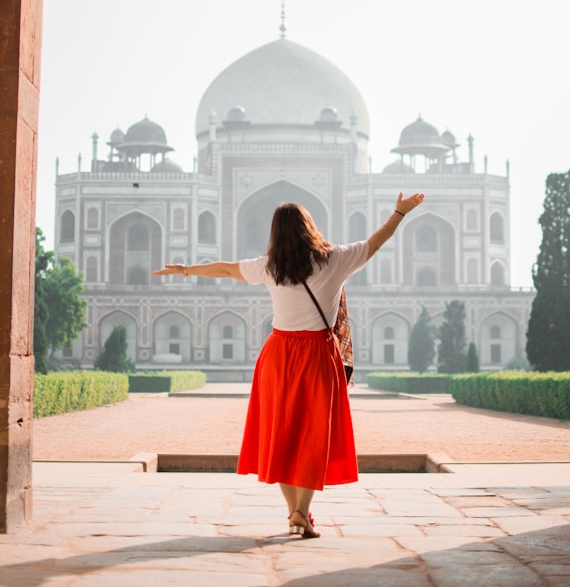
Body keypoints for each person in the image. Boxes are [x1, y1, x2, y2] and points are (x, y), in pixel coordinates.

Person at [152, 190, 424, 538]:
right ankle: (302, 513)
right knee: (312, 436)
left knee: (279, 435)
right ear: (310, 227)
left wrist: (187, 270)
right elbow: (376, 242)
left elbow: (226, 268)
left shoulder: (269, 266)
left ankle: (293, 512)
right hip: (317, 355)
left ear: (275, 234)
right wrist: (399, 213)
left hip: (278, 354)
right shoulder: (334, 260)